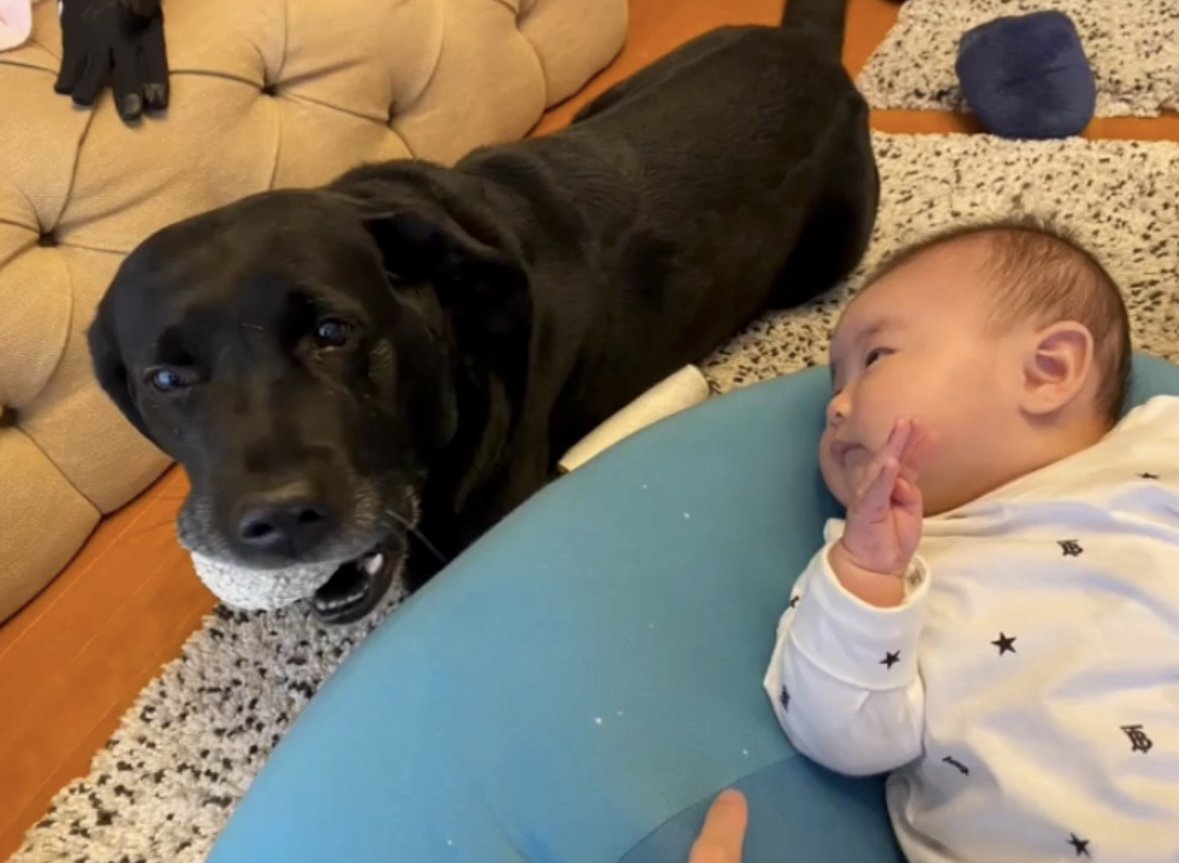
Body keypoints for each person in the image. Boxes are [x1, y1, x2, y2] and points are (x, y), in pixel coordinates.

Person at [763, 218, 1179, 861]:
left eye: (875, 359)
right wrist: (866, 577)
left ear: (1047, 370)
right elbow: (842, 736)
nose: (837, 407)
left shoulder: (1157, 448)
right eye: (835, 386)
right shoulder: (875, 570)